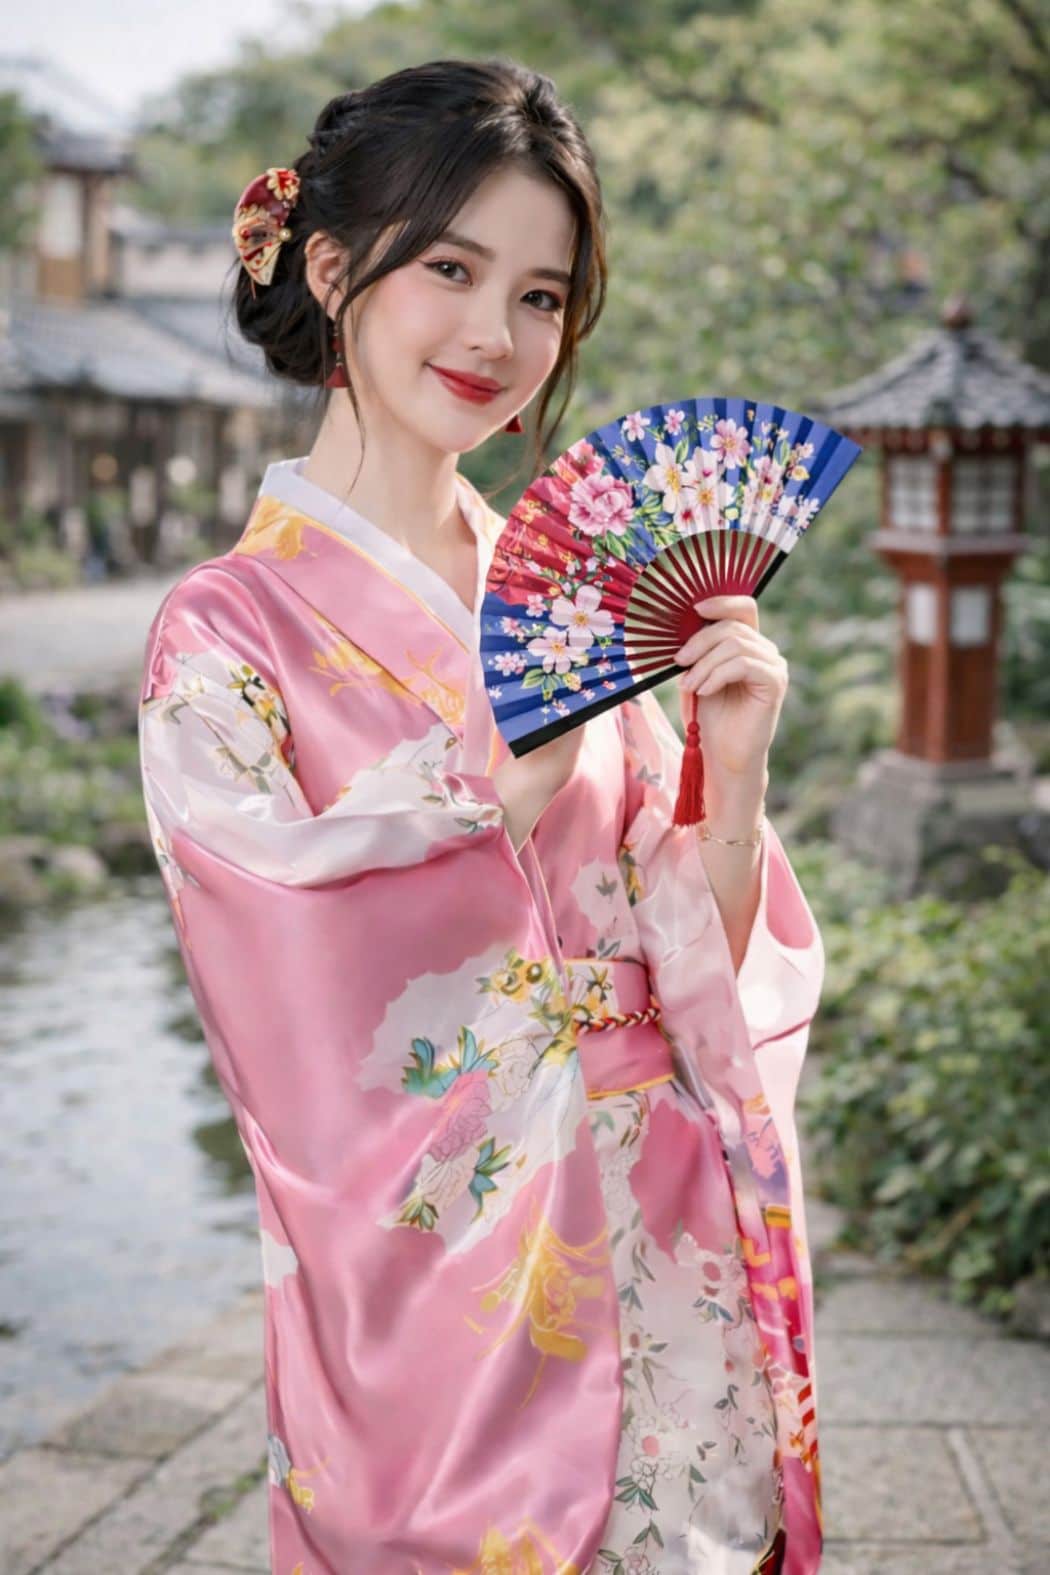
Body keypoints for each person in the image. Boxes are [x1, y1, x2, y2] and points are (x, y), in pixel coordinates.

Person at [137, 57, 826, 1575]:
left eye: (539, 294)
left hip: (659, 1234)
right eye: (449, 268)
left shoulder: (574, 599)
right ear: (332, 268)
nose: (493, 334)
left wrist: (732, 771)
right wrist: (474, 798)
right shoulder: (225, 632)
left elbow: (694, 953)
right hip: (437, 1283)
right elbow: (276, 982)